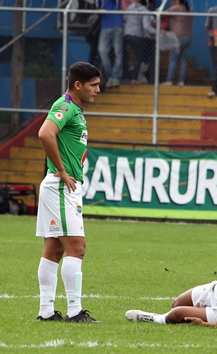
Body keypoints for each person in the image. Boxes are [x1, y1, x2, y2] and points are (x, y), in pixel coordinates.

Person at [35, 62, 102, 323]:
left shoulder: (75, 109)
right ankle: (75, 312)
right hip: (62, 186)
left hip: (62, 186)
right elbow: (45, 133)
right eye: (93, 84)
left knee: (54, 249)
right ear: (78, 85)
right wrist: (62, 171)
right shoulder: (65, 106)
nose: (98, 89)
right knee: (77, 247)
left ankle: (46, 311)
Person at [123, 0, 155, 85]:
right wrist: (157, 32)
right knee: (139, 57)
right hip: (137, 35)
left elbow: (125, 19)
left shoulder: (129, 8)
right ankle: (133, 78)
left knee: (125, 56)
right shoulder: (144, 10)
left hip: (127, 34)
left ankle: (126, 76)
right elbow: (146, 26)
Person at [162, 0, 192, 86]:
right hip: (188, 37)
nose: (172, 1)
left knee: (173, 59)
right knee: (183, 59)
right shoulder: (189, 9)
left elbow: (163, 14)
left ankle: (169, 80)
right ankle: (181, 81)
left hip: (177, 37)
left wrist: (158, 11)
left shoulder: (176, 8)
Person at [97, 0, 124, 88]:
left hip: (117, 24)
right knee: (102, 50)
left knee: (118, 51)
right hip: (105, 25)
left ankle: (116, 76)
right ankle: (109, 75)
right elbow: (98, 7)